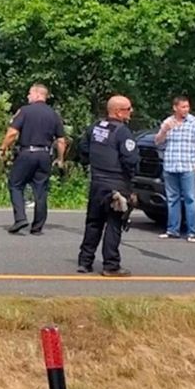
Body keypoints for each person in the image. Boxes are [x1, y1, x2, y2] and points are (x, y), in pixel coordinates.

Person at [77, 95, 139, 276]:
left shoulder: (95, 127)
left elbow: (83, 149)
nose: (131, 112)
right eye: (128, 109)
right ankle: (111, 265)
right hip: (116, 186)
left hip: (97, 182)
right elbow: (131, 159)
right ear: (118, 111)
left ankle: (85, 262)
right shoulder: (122, 132)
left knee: (93, 223)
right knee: (113, 224)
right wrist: (131, 182)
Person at [0, 84, 68, 235]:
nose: (27, 96)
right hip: (45, 155)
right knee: (41, 190)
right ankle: (37, 227)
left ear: (37, 94)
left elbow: (12, 133)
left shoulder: (25, 111)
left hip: (27, 153)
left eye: (30, 93)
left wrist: (3, 148)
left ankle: (20, 218)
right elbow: (62, 141)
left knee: (15, 184)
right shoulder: (54, 114)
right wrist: (60, 159)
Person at [155, 96, 195, 242]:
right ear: (175, 108)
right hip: (171, 165)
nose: (186, 109)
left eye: (187, 107)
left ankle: (192, 232)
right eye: (183, 107)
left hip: (188, 165)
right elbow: (158, 142)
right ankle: (173, 230)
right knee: (172, 199)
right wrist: (164, 130)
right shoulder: (168, 122)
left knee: (190, 198)